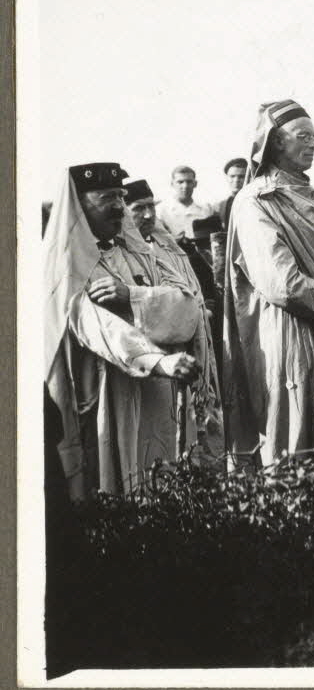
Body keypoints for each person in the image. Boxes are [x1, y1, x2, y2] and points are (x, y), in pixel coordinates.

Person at [222, 99, 314, 469]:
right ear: (276, 142)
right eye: (303, 136)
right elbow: (282, 283)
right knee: (303, 448)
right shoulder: (256, 202)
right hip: (294, 337)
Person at [44, 163, 201, 498]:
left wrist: (131, 296)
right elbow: (96, 324)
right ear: (80, 206)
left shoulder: (141, 254)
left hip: (159, 393)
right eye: (106, 198)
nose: (118, 206)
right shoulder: (66, 267)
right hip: (109, 389)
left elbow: (188, 305)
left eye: (120, 196)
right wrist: (157, 361)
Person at [124, 178, 225, 456]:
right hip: (149, 358)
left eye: (151, 207)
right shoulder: (120, 255)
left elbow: (193, 290)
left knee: (187, 435)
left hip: (186, 349)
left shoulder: (168, 248)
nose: (148, 215)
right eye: (138, 208)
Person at [156, 165, 216, 240]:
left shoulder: (206, 209)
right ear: (172, 184)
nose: (185, 186)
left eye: (189, 182)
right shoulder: (161, 210)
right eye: (180, 182)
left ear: (195, 183)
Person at [219, 158, 249, 225]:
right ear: (227, 178)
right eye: (232, 176)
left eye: (241, 177)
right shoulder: (222, 205)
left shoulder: (254, 201)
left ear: (249, 177)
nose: (236, 180)